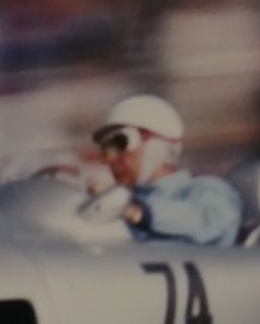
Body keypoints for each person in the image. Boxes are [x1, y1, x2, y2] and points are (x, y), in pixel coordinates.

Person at [90, 94, 242, 244]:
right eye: (106, 148)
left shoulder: (207, 190)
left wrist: (133, 211)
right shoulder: (122, 203)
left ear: (157, 147)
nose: (109, 158)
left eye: (120, 142)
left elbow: (205, 225)